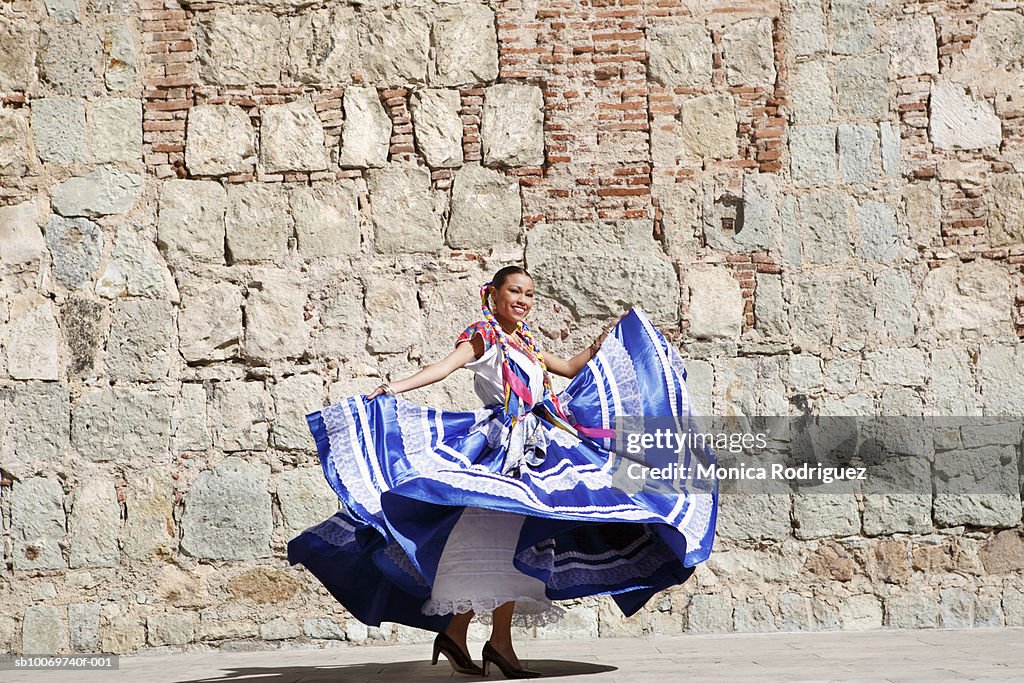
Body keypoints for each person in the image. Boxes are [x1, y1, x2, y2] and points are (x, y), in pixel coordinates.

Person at [288, 266, 718, 678]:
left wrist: (606, 341)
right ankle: (491, 641)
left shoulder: (526, 343)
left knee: (512, 538)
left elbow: (568, 368)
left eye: (529, 294)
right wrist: (394, 387)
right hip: (502, 447)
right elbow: (446, 366)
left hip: (538, 445)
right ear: (493, 295)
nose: (523, 300)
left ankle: (465, 635)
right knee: (500, 536)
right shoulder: (484, 337)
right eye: (515, 291)